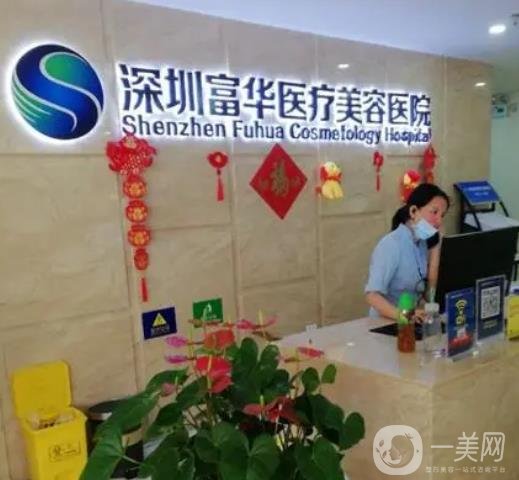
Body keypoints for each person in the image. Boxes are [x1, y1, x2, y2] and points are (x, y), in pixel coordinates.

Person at [365, 183, 450, 320]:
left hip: (409, 320)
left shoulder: (420, 244)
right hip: (385, 322)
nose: (439, 221)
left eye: (442, 215)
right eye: (434, 212)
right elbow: (372, 296)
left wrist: (436, 247)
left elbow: (430, 297)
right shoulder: (391, 244)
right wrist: (406, 315)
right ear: (413, 211)